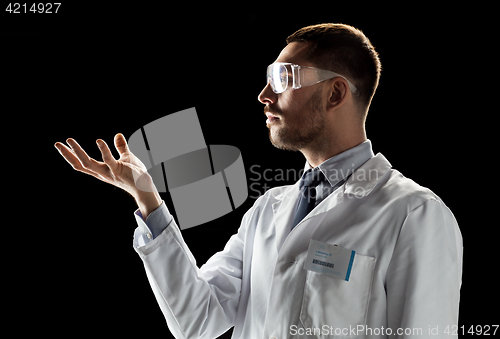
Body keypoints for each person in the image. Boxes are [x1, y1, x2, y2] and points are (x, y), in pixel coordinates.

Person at [55, 23, 463, 339]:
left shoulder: (413, 214)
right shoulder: (267, 210)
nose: (264, 95)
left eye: (283, 78)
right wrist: (146, 199)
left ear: (335, 93)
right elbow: (198, 319)